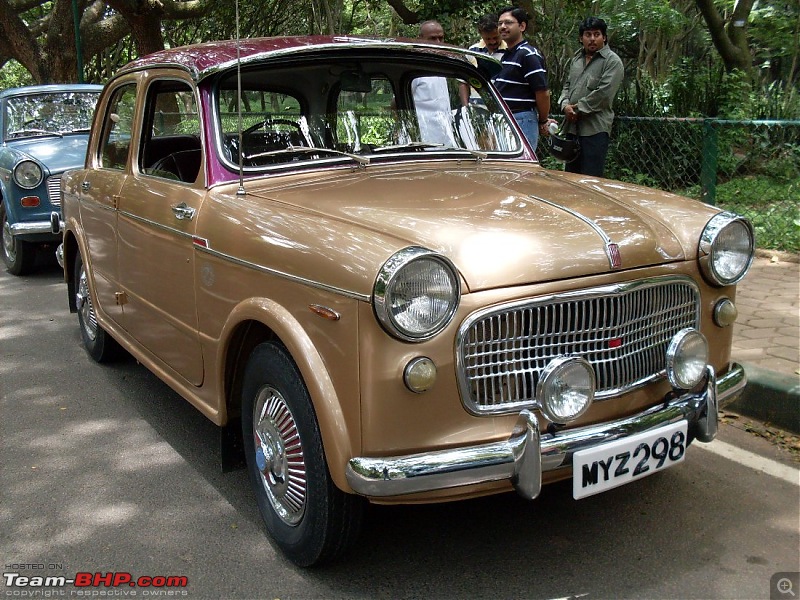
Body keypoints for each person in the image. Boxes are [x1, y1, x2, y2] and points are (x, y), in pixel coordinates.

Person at [558, 16, 624, 177]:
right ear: (581, 38)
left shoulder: (612, 61)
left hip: (595, 130)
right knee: (571, 178)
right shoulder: (576, 60)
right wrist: (564, 105)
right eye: (588, 34)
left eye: (597, 34)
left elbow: (604, 94)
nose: (592, 39)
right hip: (572, 129)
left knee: (591, 179)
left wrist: (578, 109)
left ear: (604, 37)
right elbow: (567, 86)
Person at [493, 6, 552, 149]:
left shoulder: (528, 54)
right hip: (504, 120)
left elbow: (542, 93)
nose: (503, 27)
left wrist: (543, 120)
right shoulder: (507, 55)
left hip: (521, 119)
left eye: (508, 23)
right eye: (500, 23)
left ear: (522, 26)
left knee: (520, 168)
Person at [413, 20, 457, 145]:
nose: (438, 43)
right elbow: (396, 103)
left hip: (446, 136)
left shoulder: (442, 65)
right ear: (420, 39)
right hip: (423, 138)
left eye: (441, 38)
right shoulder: (414, 66)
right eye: (433, 38)